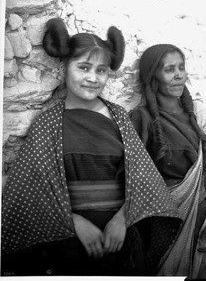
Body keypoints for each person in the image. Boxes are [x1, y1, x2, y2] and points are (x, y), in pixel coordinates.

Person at [1, 20, 182, 277]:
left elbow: (143, 179)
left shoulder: (118, 116)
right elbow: (31, 190)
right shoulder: (48, 123)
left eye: (101, 71)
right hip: (65, 242)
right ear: (65, 67)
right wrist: (73, 223)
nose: (92, 78)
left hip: (119, 241)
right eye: (83, 67)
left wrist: (122, 220)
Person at [129, 44, 206, 279]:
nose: (179, 74)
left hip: (199, 213)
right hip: (161, 220)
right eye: (169, 69)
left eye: (181, 67)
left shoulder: (197, 116)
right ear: (153, 77)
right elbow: (134, 175)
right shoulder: (142, 118)